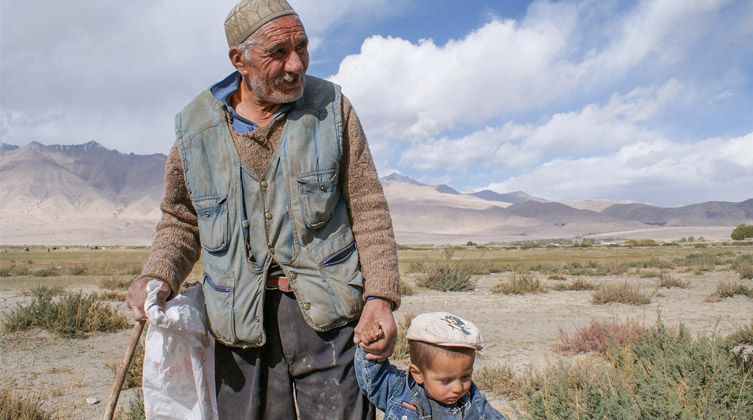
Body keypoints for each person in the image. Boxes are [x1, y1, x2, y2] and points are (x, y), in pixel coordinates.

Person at [125, 0, 401, 418]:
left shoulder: (332, 109)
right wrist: (159, 274)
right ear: (240, 60)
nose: (296, 65)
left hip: (331, 316)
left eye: (302, 47)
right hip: (238, 322)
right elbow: (181, 218)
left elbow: (368, 206)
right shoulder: (196, 132)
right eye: (278, 53)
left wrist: (380, 297)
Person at [355, 312, 508, 419]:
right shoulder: (399, 391)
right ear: (418, 374)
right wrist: (369, 343)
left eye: (465, 376)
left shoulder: (472, 403)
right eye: (446, 380)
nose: (458, 388)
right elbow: (372, 378)